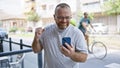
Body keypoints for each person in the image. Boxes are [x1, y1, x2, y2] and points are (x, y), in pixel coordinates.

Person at [32, 3, 88, 68]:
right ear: (54, 17)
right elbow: (36, 50)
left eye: (67, 17)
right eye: (60, 17)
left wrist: (72, 54)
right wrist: (36, 39)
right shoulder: (46, 31)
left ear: (71, 17)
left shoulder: (77, 33)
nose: (64, 21)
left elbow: (84, 58)